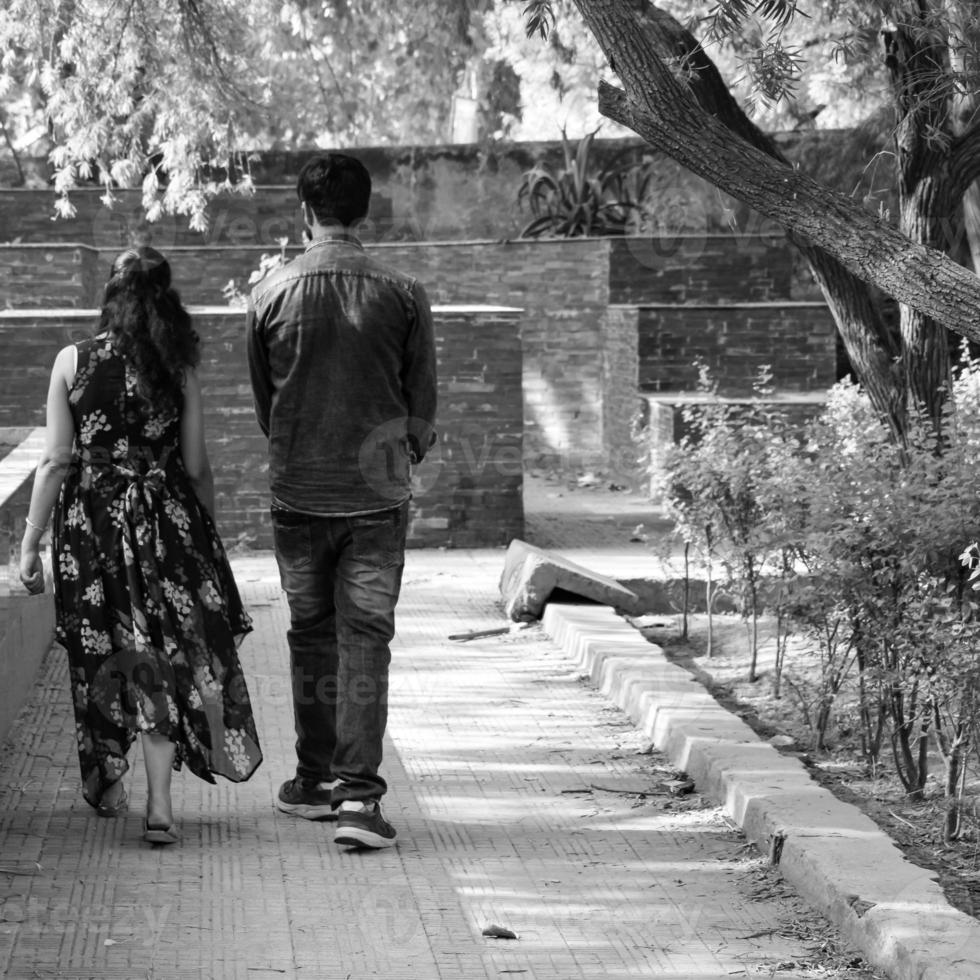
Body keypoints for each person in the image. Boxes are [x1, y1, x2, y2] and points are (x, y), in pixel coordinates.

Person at [19, 246, 263, 844]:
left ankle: (109, 778)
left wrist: (29, 542)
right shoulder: (177, 368)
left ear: (109, 293)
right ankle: (159, 804)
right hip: (166, 524)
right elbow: (197, 466)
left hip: (93, 531)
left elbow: (55, 461)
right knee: (160, 650)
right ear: (166, 299)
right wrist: (207, 533)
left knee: (105, 650)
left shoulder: (72, 361)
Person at [247, 152, 437, 850]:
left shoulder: (268, 294)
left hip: (297, 492)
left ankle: (314, 779)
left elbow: (268, 408)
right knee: (366, 638)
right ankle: (359, 801)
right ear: (365, 213)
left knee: (310, 634)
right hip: (376, 497)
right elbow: (422, 411)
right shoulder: (404, 292)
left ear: (305, 214)